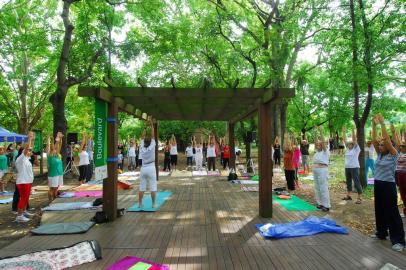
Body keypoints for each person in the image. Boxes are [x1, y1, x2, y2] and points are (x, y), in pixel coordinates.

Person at [371, 115, 405, 252]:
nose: (379, 146)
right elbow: (374, 140)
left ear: (389, 145)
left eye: (382, 144)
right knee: (379, 209)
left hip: (388, 185)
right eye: (379, 145)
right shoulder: (380, 154)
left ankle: (399, 241)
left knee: (392, 212)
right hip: (378, 184)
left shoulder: (393, 154)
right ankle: (381, 233)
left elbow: (387, 141)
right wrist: (374, 125)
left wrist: (383, 124)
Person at [14, 131, 35, 222]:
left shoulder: (26, 158)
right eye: (28, 150)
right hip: (23, 182)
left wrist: (32, 140)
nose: (30, 151)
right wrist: (29, 138)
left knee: (26, 198)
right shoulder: (20, 158)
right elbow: (27, 148)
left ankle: (24, 211)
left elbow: (30, 148)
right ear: (23, 151)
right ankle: (19, 216)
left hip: (28, 181)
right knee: (23, 198)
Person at [139, 119, 157, 209]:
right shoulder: (152, 146)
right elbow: (153, 136)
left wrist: (145, 127)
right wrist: (152, 125)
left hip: (143, 168)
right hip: (151, 167)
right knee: (153, 187)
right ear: (150, 142)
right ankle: (153, 204)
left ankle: (140, 203)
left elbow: (142, 137)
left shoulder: (142, 146)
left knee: (142, 187)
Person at [342, 126, 362, 204]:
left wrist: (353, 130)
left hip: (355, 167)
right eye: (348, 144)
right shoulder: (347, 149)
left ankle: (359, 197)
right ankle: (349, 195)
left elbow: (354, 139)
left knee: (356, 182)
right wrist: (344, 132)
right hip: (347, 167)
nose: (348, 144)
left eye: (350, 143)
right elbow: (344, 140)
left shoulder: (356, 149)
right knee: (348, 182)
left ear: (353, 144)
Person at [313, 126, 331, 212]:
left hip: (322, 170)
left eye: (319, 144)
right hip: (316, 170)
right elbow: (316, 141)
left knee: (323, 187)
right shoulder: (317, 152)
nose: (317, 145)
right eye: (317, 145)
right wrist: (315, 132)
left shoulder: (325, 151)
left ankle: (326, 205)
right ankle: (319, 203)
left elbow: (323, 142)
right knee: (317, 187)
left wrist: (321, 131)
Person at [46, 132, 64, 202]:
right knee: (52, 188)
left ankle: (54, 199)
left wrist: (60, 138)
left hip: (59, 173)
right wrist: (57, 138)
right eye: (52, 149)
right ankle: (51, 200)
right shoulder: (50, 156)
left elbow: (59, 145)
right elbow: (56, 145)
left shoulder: (57, 155)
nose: (55, 149)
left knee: (56, 188)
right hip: (53, 174)